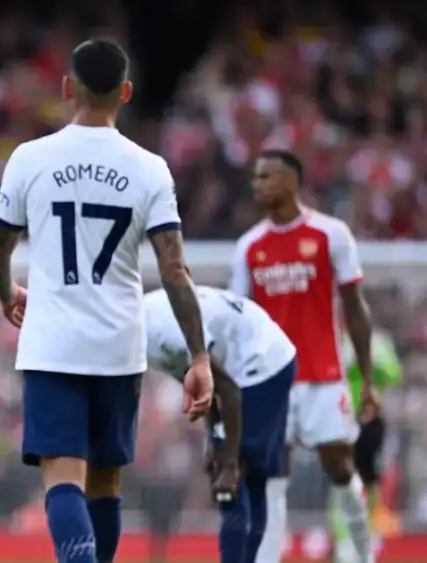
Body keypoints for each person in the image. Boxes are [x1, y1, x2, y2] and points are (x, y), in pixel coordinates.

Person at [0, 38, 213, 563]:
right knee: (106, 482)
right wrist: (198, 356)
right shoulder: (150, 168)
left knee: (63, 478)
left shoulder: (30, 159)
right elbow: (175, 271)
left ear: (68, 88)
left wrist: (6, 293)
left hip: (53, 344)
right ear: (125, 93)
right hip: (118, 347)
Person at [230, 149, 378, 563]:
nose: (257, 184)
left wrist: (366, 379)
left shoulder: (331, 235)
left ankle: (363, 553)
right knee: (271, 475)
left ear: (292, 182)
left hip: (324, 376)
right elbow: (239, 321)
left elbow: (355, 307)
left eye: (267, 177)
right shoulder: (248, 247)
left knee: (340, 468)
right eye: (256, 177)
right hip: (271, 381)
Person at [145, 286, 297, 563]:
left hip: (260, 361)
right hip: (257, 353)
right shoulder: (142, 325)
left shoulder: (164, 334)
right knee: (249, 477)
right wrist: (213, 436)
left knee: (233, 480)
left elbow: (227, 390)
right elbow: (206, 386)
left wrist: (228, 462)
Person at [331, 328, 402, 562]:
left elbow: (395, 373)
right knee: (341, 478)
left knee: (371, 480)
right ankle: (343, 537)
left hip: (371, 420)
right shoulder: (339, 340)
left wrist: (372, 365)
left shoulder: (380, 343)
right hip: (343, 419)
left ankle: (370, 533)